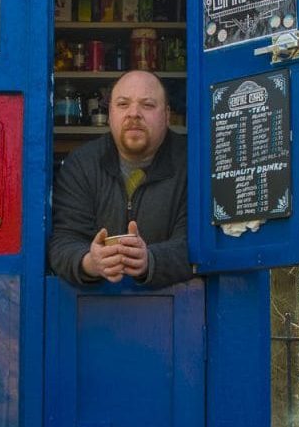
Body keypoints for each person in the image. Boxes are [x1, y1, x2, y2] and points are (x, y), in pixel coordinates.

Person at [49, 70, 192, 288]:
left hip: (180, 309)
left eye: (148, 105)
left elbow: (197, 245)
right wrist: (90, 262)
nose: (134, 113)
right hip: (92, 309)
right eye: (123, 104)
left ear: (167, 115)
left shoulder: (192, 164)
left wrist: (150, 260)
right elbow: (63, 241)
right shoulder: (81, 164)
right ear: (110, 114)